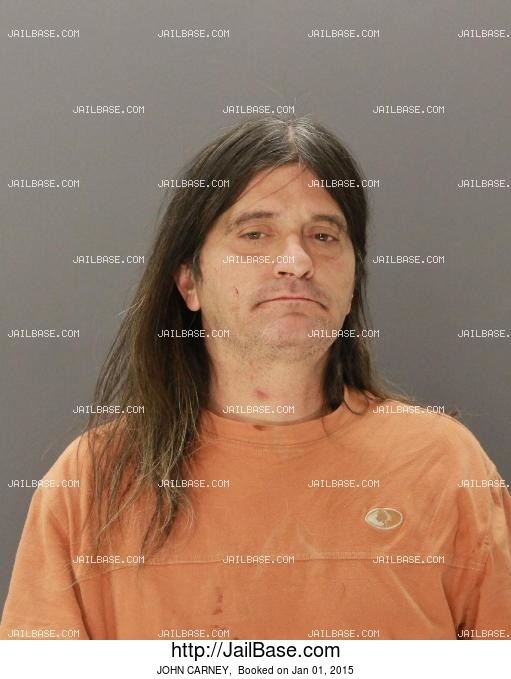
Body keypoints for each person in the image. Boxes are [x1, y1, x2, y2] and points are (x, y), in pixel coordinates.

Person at [1, 115, 510, 640]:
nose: (296, 261)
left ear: (354, 282)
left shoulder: (445, 465)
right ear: (189, 282)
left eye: (323, 236)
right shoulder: (93, 484)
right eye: (255, 234)